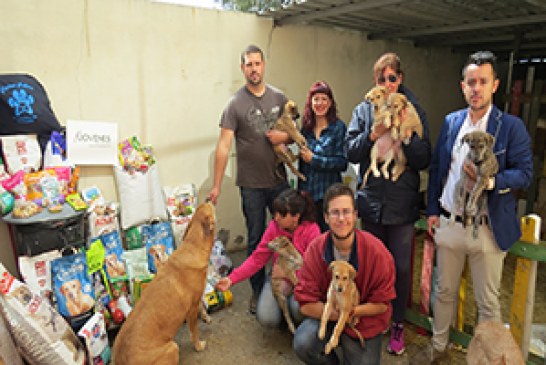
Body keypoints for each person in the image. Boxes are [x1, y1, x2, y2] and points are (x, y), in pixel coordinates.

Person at [425, 50, 533, 363]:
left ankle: (490, 359)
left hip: (487, 227)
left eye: (482, 81)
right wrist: (433, 209)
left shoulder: (510, 127)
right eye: (471, 82)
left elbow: (525, 173)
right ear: (463, 86)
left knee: (487, 303)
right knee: (443, 293)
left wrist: (488, 182)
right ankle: (439, 350)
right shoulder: (451, 122)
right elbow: (437, 168)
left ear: (494, 85)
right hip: (451, 223)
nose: (476, 88)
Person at [345, 52, 431, 355]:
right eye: (382, 79)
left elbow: (424, 158)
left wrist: (406, 137)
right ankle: (372, 321)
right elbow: (351, 152)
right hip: (371, 203)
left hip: (401, 204)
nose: (387, 83)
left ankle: (396, 323)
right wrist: (373, 134)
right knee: (370, 265)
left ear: (400, 79)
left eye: (392, 78)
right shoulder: (363, 110)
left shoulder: (413, 110)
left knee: (401, 268)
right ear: (375, 82)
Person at [208, 44, 290, 314]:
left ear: (264, 65)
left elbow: (293, 129)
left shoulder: (279, 98)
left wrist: (286, 137)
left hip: (279, 181)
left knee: (287, 235)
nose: (254, 69)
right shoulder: (235, 104)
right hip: (251, 185)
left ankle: (288, 283)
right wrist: (217, 185)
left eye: (257, 63)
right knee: (256, 240)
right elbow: (223, 146)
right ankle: (257, 292)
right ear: (242, 69)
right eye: (248, 65)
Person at [293, 183, 396, 365]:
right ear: (325, 217)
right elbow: (305, 304)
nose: (341, 219)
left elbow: (382, 305)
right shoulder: (315, 249)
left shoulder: (377, 252)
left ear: (355, 215)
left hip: (362, 319)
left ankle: (349, 347)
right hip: (331, 310)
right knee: (303, 343)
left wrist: (351, 312)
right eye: (335, 212)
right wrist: (337, 314)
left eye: (346, 212)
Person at [215, 189, 320, 329]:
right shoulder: (274, 227)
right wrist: (231, 279)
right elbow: (257, 258)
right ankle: (283, 315)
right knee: (267, 318)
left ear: (296, 217)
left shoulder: (312, 231)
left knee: (299, 310)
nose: (276, 218)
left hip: (302, 281)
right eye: (275, 212)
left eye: (282, 215)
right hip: (278, 279)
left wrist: (289, 274)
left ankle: (296, 322)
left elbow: (315, 269)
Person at [298, 80, 348, 232]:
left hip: (330, 196)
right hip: (309, 197)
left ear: (331, 102)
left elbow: (342, 162)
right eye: (316, 99)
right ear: (310, 102)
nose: (320, 103)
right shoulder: (305, 129)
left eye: (324, 99)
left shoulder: (338, 128)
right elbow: (302, 167)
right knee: (312, 241)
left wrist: (315, 160)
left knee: (331, 239)